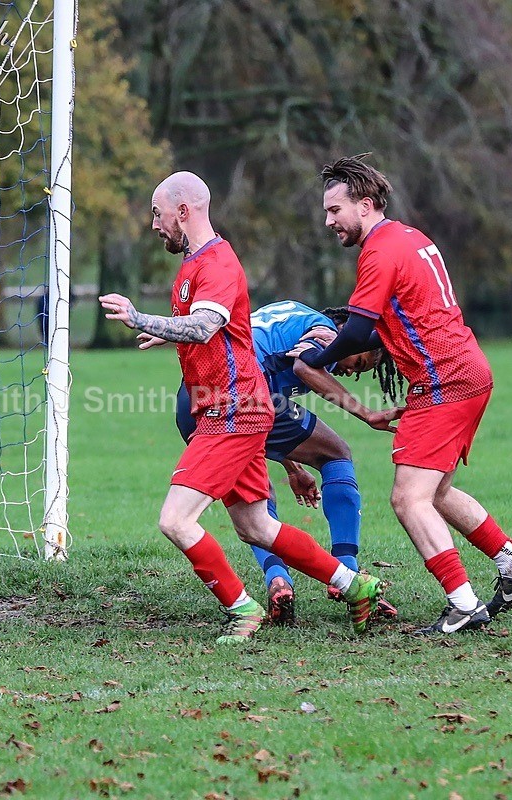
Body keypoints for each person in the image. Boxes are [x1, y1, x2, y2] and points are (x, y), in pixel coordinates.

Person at [99, 170, 388, 645]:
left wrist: (138, 317)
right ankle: (355, 585)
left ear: (184, 211)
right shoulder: (193, 265)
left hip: (232, 411)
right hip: (225, 406)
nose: (154, 224)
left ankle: (242, 609)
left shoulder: (217, 263)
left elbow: (206, 326)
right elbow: (209, 331)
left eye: (158, 213)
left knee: (175, 520)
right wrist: (167, 330)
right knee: (256, 525)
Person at [292, 154, 512, 634]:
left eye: (335, 211)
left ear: (365, 206)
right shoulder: (408, 237)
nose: (329, 222)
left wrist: (312, 362)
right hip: (468, 370)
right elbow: (380, 330)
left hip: (444, 381)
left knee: (409, 499)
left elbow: (359, 329)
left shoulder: (379, 251)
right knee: (437, 491)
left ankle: (463, 603)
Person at [171, 301, 403, 624]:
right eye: (360, 362)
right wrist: (366, 414)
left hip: (193, 402)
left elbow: (269, 402)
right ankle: (348, 572)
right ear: (349, 336)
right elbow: (303, 368)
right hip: (240, 395)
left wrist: (293, 467)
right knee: (336, 453)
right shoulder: (325, 331)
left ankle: (278, 583)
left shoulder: (294, 316)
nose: (351, 372)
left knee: (256, 504)